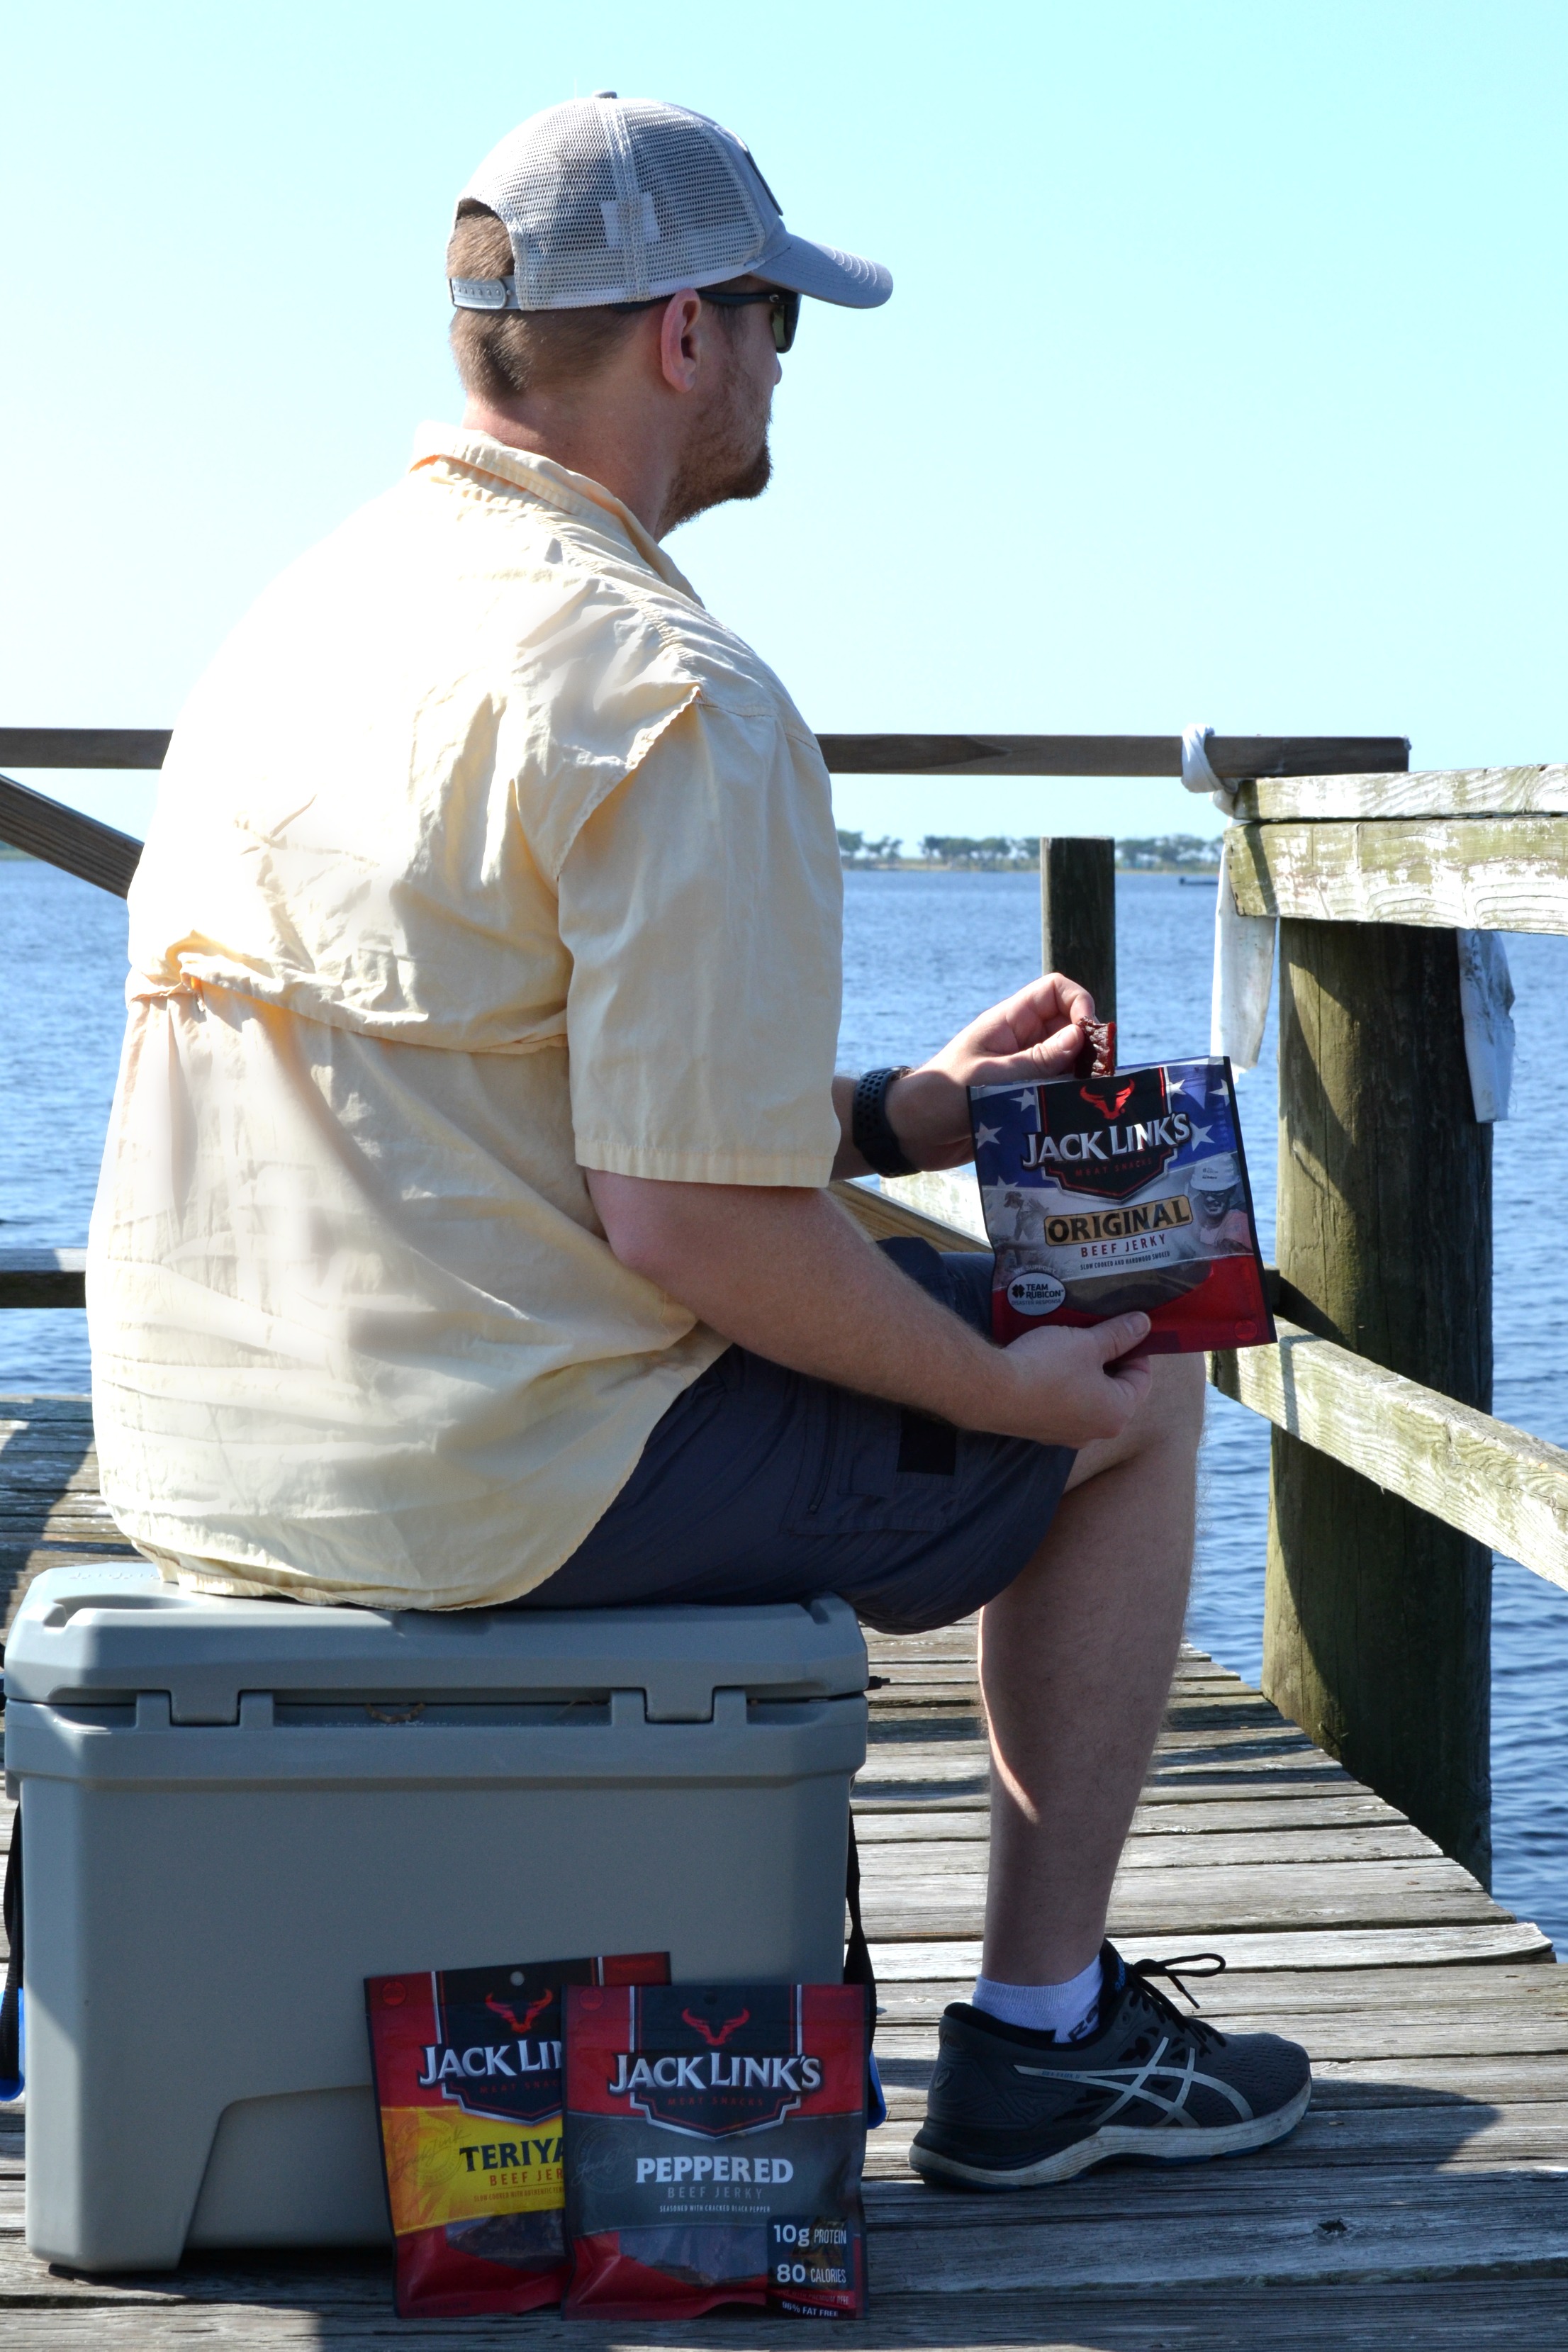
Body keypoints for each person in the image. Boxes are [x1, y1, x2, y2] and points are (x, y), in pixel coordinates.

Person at [86, 94, 1309, 2190]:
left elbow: (501, 1098)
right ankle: (1044, 2041)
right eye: (775, 327)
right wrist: (1007, 1387)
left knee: (978, 1320)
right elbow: (687, 1229)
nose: (774, 373)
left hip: (206, 1448)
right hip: (484, 1481)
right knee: (1138, 1385)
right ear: (680, 337)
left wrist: (900, 1117)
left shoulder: (299, 617)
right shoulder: (670, 689)